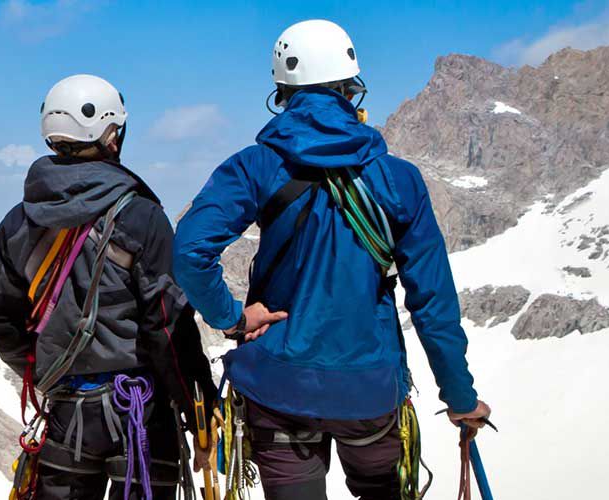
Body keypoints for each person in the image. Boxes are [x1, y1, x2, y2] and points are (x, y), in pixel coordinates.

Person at [171, 20, 493, 500]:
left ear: (282, 90)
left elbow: (190, 250)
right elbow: (433, 303)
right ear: (351, 87)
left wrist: (232, 318)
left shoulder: (256, 166)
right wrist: (460, 397)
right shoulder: (399, 180)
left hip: (277, 387)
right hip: (369, 388)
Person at [0, 74, 216, 500]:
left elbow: (0, 317)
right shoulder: (141, 216)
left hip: (68, 415)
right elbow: (167, 328)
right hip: (141, 415)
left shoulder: (19, 222)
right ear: (111, 134)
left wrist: (45, 374)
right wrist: (198, 406)